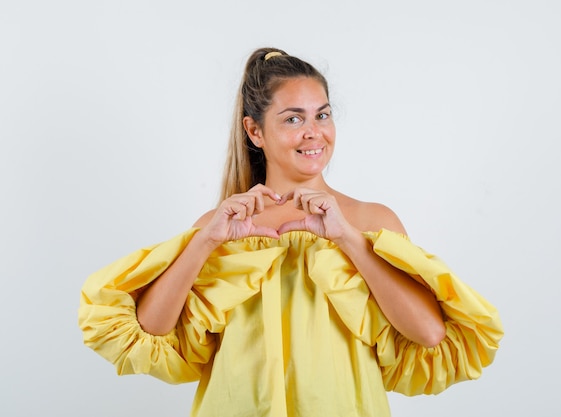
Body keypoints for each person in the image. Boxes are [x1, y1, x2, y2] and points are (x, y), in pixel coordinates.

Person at [79, 47, 504, 417]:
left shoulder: (370, 222)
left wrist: (347, 239)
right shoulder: (218, 228)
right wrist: (206, 239)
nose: (313, 132)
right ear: (255, 131)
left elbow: (430, 335)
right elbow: (150, 330)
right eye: (292, 119)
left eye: (322, 115)